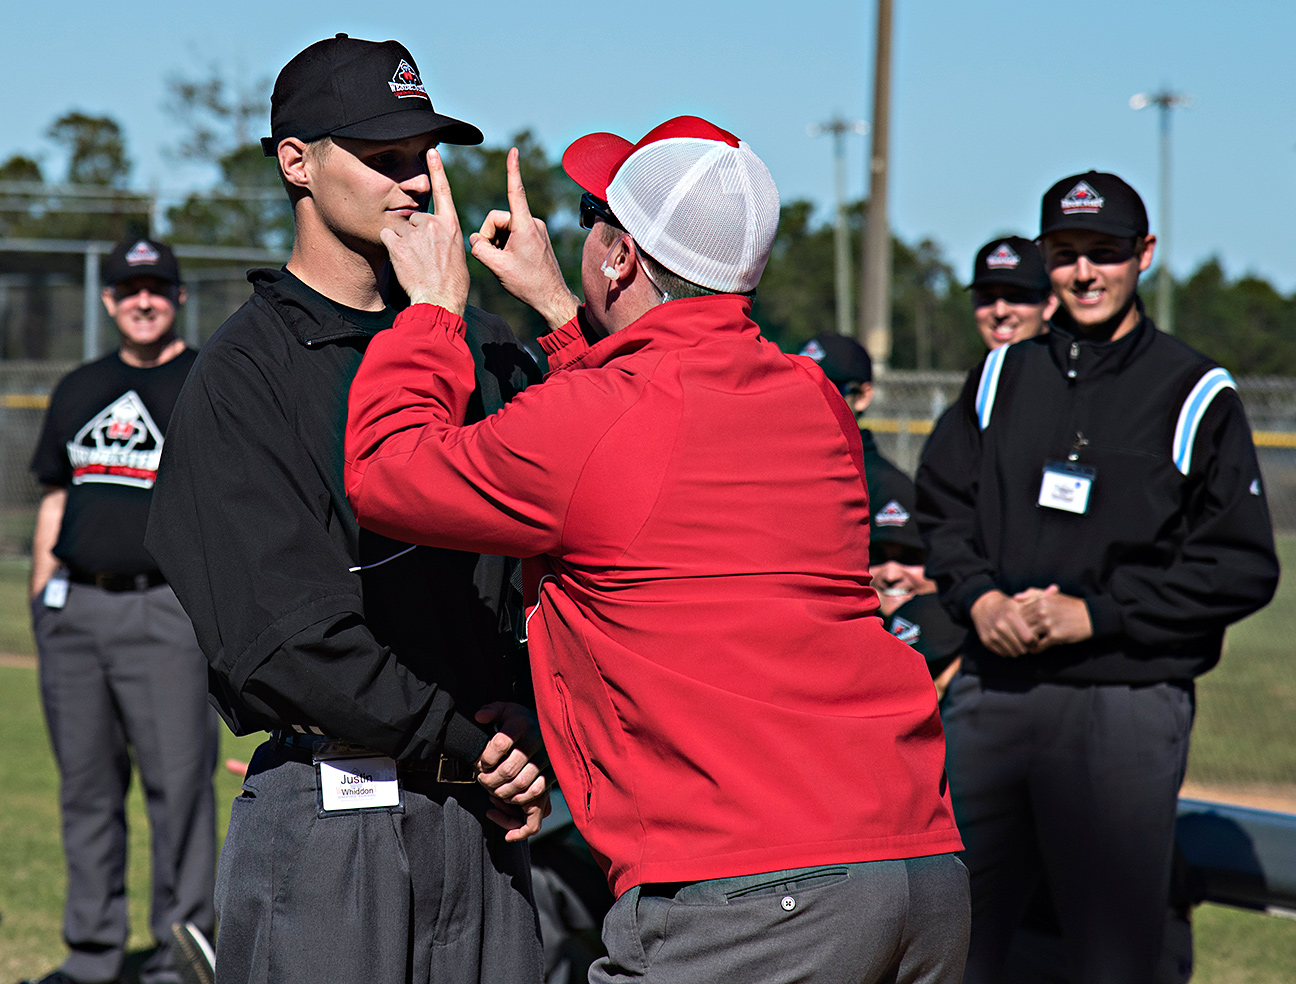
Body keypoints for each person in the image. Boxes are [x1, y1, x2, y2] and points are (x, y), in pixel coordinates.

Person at [344, 114, 968, 984]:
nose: (585, 233)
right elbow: (643, 448)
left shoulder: (602, 417)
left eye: (598, 216)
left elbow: (386, 470)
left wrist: (433, 315)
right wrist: (568, 318)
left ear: (621, 257)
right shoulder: (811, 395)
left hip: (753, 892)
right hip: (917, 866)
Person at [144, 35, 546, 984]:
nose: (414, 184)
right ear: (298, 161)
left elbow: (561, 555)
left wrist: (530, 718)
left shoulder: (484, 347)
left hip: (486, 821)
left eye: (424, 157)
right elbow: (284, 638)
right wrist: (471, 738)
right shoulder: (244, 372)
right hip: (337, 813)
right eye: (383, 158)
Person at [915, 170, 1279, 984]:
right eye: (1068, 253)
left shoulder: (1194, 389)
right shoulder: (1003, 375)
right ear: (1047, 258)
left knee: (1111, 958)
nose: (1085, 273)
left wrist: (1102, 615)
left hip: (1125, 702)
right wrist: (978, 598)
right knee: (953, 946)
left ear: (1143, 255)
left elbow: (1240, 565)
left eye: (1105, 254)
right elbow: (942, 508)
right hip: (997, 695)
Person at [26, 239, 217, 984]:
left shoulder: (207, 379)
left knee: (179, 789)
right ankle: (93, 953)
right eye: (129, 288)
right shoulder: (79, 387)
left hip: (163, 612)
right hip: (75, 612)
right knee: (86, 790)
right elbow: (54, 494)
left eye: (158, 287)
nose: (144, 299)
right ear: (107, 300)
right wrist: (43, 597)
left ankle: (181, 957)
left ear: (176, 297)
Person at [798, 332, 961, 692]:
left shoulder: (883, 485)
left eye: (830, 387)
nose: (813, 399)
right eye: (800, 386)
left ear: (864, 395)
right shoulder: (782, 475)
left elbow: (912, 577)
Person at [966, 235, 1054, 350]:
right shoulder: (983, 368)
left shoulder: (1075, 365)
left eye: (1016, 297)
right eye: (987, 298)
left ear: (1049, 303)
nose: (1000, 312)